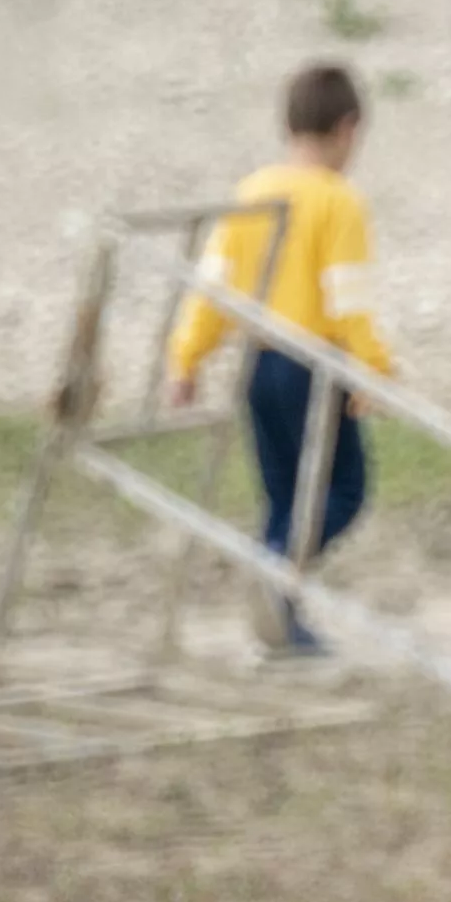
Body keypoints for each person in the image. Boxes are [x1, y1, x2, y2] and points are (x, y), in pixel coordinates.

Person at [165, 61, 396, 656]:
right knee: (343, 492)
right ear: (349, 127)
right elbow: (349, 296)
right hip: (313, 367)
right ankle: (271, 577)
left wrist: (186, 357)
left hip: (257, 364)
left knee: (284, 496)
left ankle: (279, 620)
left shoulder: (253, 193)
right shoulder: (337, 201)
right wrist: (373, 370)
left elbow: (212, 286)